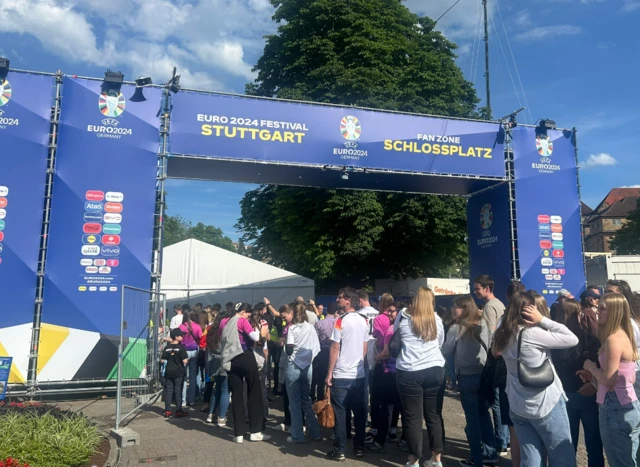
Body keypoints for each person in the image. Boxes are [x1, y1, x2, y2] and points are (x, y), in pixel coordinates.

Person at [492, 291, 578, 467]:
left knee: (530, 458)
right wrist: (542, 320)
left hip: (518, 404)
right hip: (545, 402)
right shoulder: (532, 334)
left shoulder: (502, 334)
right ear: (528, 311)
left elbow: (495, 353)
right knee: (562, 456)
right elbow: (572, 339)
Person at [580, 292, 640, 467]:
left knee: (621, 462)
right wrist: (595, 375)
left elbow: (609, 380)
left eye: (603, 309)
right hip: (626, 403)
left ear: (614, 312)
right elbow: (628, 374)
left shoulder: (614, 339)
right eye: (599, 308)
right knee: (631, 459)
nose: (598, 312)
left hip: (615, 406)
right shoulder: (623, 335)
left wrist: (591, 368)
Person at [442, 295, 497, 467]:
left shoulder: (456, 329)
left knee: (472, 419)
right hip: (484, 375)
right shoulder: (483, 324)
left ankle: (476, 459)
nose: (452, 310)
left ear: (464, 309)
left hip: (466, 377)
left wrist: (451, 377)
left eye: (455, 307)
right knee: (483, 415)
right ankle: (490, 453)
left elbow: (446, 350)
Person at [394, 287, 445, 467]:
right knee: (434, 415)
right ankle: (436, 460)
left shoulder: (404, 319)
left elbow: (393, 339)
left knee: (412, 418)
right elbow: (440, 343)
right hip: (434, 369)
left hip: (409, 370)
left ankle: (413, 460)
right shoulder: (437, 320)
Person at [552, 298, 604, 467]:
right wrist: (594, 384)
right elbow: (601, 365)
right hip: (588, 392)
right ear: (578, 314)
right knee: (594, 443)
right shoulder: (590, 339)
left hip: (563, 395)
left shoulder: (553, 341)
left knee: (566, 444)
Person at [325, 287, 369, 461]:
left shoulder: (340, 321)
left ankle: (339, 450)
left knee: (341, 413)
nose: (337, 300)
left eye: (340, 297)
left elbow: (334, 347)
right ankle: (359, 447)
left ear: (348, 301)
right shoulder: (363, 320)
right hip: (358, 374)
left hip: (342, 374)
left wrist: (329, 373)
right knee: (359, 412)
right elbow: (365, 347)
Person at [220, 303, 270, 443]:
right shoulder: (242, 321)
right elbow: (254, 337)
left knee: (236, 395)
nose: (249, 316)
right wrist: (261, 332)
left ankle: (238, 434)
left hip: (231, 360)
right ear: (243, 311)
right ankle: (255, 431)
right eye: (248, 313)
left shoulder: (226, 322)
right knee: (254, 391)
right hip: (244, 355)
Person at [474, 274, 509, 454]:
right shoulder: (500, 304)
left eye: (478, 289)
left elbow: (489, 335)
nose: (476, 292)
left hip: (494, 357)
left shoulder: (489, 307)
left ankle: (500, 441)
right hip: (502, 357)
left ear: (487, 288)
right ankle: (505, 439)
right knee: (500, 400)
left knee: (494, 402)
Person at [285, 301, 322, 443]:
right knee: (306, 400)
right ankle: (315, 432)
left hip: (294, 366)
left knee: (294, 403)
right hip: (308, 367)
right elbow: (316, 347)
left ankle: (297, 435)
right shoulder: (310, 328)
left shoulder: (292, 328)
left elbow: (289, 350)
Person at [367, 301, 401, 452]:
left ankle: (380, 440)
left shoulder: (393, 329)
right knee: (397, 407)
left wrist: (376, 358)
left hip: (389, 372)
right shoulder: (406, 328)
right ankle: (398, 436)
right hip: (400, 372)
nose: (389, 314)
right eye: (389, 311)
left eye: (393, 311)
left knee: (385, 408)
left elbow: (386, 352)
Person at [205, 306, 231, 426]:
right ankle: (221, 417)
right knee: (225, 390)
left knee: (217, 389)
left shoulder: (211, 330)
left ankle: (211, 414)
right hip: (225, 361)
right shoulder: (226, 331)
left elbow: (208, 348)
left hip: (213, 362)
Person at [161, 328, 189, 418]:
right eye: (181, 335)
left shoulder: (167, 347)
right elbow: (185, 361)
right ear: (176, 337)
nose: (182, 337)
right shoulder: (181, 348)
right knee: (178, 391)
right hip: (179, 372)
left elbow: (162, 360)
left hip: (168, 372)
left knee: (169, 391)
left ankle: (168, 410)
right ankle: (178, 410)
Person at [314, 301, 337, 402]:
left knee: (320, 378)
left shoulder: (319, 323)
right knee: (333, 376)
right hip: (335, 351)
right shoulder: (338, 323)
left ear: (327, 310)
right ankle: (331, 399)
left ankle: (320, 399)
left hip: (322, 351)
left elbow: (315, 339)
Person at [179, 311, 203, 407]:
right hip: (194, 351)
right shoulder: (197, 326)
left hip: (184, 352)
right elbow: (200, 337)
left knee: (183, 377)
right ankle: (191, 399)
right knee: (193, 376)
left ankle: (183, 400)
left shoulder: (181, 326)